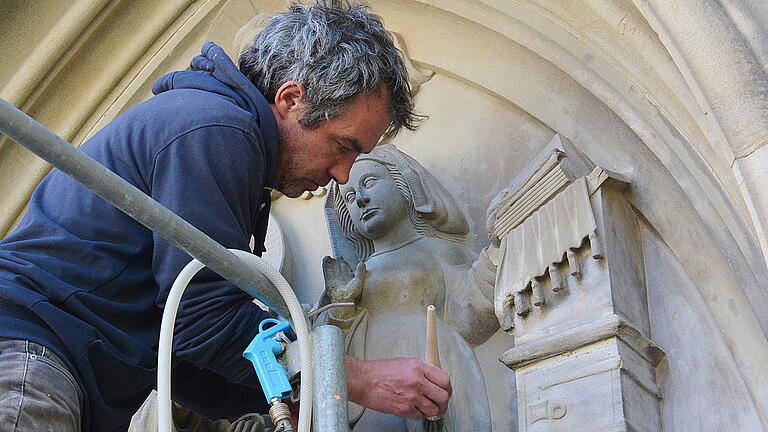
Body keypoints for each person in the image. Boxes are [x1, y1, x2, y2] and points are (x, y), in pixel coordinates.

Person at [0, 3, 450, 431]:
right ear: (292, 99)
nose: (343, 173)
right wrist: (357, 378)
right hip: (27, 356)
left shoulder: (215, 132)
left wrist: (292, 400)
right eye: (343, 145)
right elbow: (203, 314)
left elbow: (186, 352)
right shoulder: (218, 130)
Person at [320, 145, 500, 431]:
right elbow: (326, 355)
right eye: (351, 197)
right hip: (373, 393)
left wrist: (496, 259)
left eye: (370, 183)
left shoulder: (437, 252)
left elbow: (471, 311)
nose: (362, 200)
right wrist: (341, 305)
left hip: (435, 370)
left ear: (405, 186)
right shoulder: (353, 276)